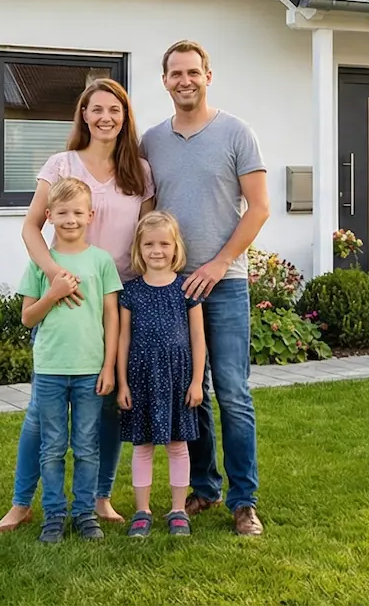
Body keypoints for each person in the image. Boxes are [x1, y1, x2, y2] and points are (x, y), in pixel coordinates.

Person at [0, 79, 153, 534]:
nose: (105, 117)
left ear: (125, 117)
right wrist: (53, 275)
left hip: (116, 296)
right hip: (63, 299)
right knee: (38, 418)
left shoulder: (139, 171)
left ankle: (98, 498)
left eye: (114, 110)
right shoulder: (60, 164)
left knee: (107, 405)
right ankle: (22, 502)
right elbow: (30, 226)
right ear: (83, 114)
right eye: (96, 108)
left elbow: (143, 235)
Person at [139, 40, 270, 536]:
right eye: (176, 74)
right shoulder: (151, 141)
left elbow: (258, 207)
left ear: (208, 76)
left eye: (193, 72)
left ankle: (244, 501)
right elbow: (145, 209)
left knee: (233, 393)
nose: (184, 80)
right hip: (172, 288)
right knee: (190, 391)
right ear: (165, 81)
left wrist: (219, 263)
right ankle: (205, 487)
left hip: (225, 284)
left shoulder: (237, 132)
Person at [16, 177, 121, 543]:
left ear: (90, 215)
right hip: (50, 370)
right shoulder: (41, 264)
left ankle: (84, 513)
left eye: (78, 212)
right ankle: (54, 515)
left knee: (88, 445)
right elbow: (28, 317)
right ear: (49, 216)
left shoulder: (101, 262)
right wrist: (54, 292)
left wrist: (109, 366)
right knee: (53, 446)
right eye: (62, 212)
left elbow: (112, 316)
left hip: (91, 369)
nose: (71, 219)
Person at [115, 211, 207, 538]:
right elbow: (124, 338)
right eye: (149, 244)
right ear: (138, 249)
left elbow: (198, 338)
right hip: (140, 376)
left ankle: (178, 509)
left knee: (177, 444)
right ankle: (142, 511)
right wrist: (122, 382)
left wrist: (197, 381)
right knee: (142, 446)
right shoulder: (131, 292)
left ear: (175, 247)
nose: (157, 250)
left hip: (178, 377)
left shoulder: (187, 289)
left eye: (164, 244)